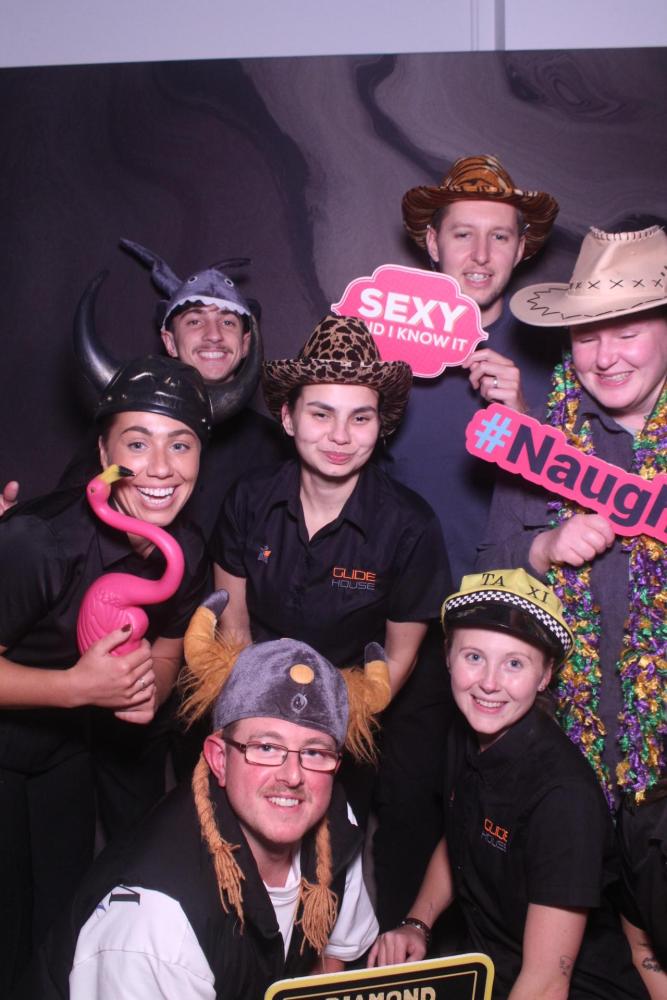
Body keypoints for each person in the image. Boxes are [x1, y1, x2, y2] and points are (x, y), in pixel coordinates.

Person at [210, 312, 451, 927]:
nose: (340, 435)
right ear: (288, 417)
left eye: (360, 417)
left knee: (330, 867)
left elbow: (400, 657)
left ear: (381, 425)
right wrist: (261, 733)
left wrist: (324, 736)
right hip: (255, 709)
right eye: (321, 414)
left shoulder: (410, 525)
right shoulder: (248, 500)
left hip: (352, 718)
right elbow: (232, 626)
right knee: (235, 861)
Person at [16, 605, 391, 1000]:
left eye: (314, 752)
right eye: (266, 747)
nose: (293, 775)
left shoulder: (335, 821)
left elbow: (329, 961)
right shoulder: (156, 925)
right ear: (218, 759)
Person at [0, 357, 211, 992]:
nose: (161, 467)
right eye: (137, 444)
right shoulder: (36, 543)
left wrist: (152, 688)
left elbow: (169, 646)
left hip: (66, 754)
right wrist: (76, 688)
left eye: (181, 445)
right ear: (103, 454)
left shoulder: (186, 548)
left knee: (62, 924)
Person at [370, 569, 648, 1000]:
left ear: (545, 675)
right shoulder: (466, 731)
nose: (489, 682)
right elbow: (460, 833)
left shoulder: (563, 798)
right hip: (489, 969)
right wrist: (417, 923)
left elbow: (546, 983)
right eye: (474, 657)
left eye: (514, 663)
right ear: (448, 656)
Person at [476, 225, 667, 808]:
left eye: (628, 333)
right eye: (587, 335)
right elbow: (483, 577)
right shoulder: (540, 445)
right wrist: (544, 548)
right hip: (565, 758)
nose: (606, 358)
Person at [0, 240, 286, 539]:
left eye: (227, 321)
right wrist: (23, 525)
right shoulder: (125, 425)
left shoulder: (271, 445)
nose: (213, 335)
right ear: (170, 342)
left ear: (245, 344)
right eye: (194, 321)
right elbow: (78, 503)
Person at [386, 154, 562, 582]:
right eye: (463, 234)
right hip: (395, 596)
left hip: (511, 596)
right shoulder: (382, 340)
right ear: (433, 243)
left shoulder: (562, 354)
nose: (481, 255)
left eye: (499, 237)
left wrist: (522, 421)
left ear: (520, 248)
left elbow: (577, 498)